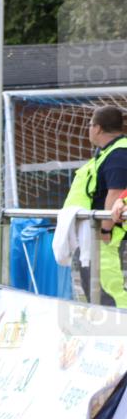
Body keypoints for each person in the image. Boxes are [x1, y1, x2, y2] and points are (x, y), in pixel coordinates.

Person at [67, 106, 126, 306]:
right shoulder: (107, 152)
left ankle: (118, 332)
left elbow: (115, 194)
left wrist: (105, 229)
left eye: (90, 125)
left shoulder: (118, 154)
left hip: (109, 235)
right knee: (96, 289)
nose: (89, 129)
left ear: (98, 128)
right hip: (98, 233)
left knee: (108, 289)